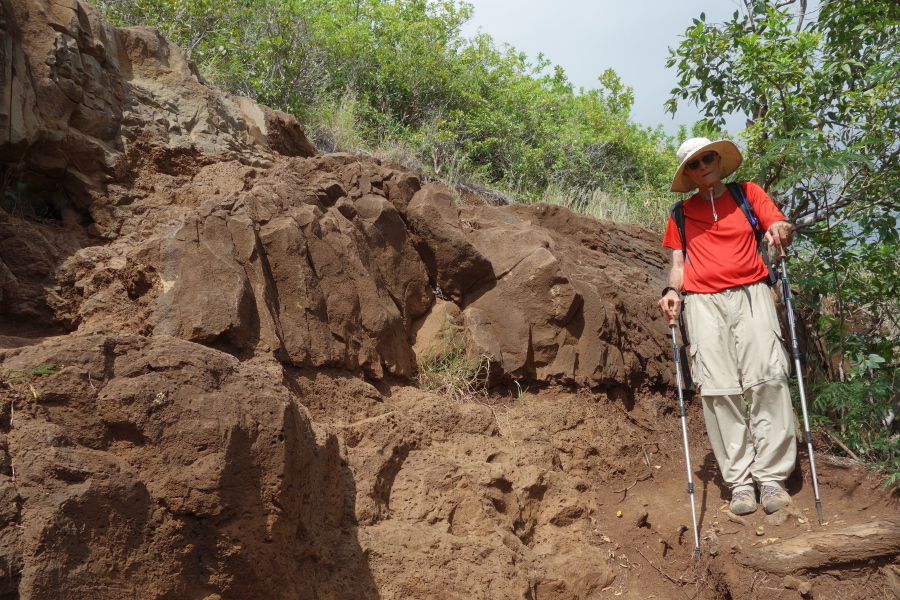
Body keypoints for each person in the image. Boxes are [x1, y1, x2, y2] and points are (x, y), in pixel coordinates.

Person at [658, 137, 797, 516]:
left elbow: (779, 224)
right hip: (702, 303)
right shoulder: (681, 213)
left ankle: (771, 479)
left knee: (767, 377)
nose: (702, 166)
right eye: (693, 164)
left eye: (707, 158)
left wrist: (779, 231)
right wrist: (672, 290)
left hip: (752, 293)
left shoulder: (748, 193)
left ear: (718, 159)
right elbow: (678, 265)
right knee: (718, 388)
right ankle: (739, 482)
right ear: (687, 173)